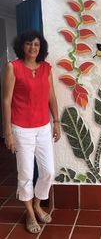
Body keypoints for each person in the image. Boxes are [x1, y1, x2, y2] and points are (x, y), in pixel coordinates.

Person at [2, 30, 61, 234]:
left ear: (41, 47)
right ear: (22, 46)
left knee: (48, 171)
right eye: (29, 44)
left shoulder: (46, 68)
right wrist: (7, 132)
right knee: (26, 173)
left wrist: (57, 121)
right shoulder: (13, 67)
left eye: (36, 44)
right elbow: (6, 101)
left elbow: (51, 97)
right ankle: (29, 212)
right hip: (21, 129)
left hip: (43, 127)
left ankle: (37, 204)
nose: (32, 48)